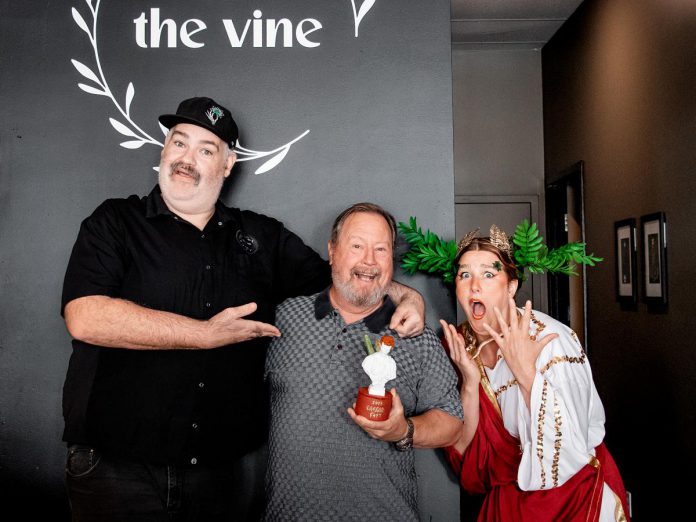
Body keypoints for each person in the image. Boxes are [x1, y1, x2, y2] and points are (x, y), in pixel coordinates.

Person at [60, 97, 426, 522]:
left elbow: (345, 278)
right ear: (164, 151)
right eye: (179, 143)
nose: (187, 159)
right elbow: (85, 316)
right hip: (116, 469)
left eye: (205, 150)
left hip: (217, 479)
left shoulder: (260, 237)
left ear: (227, 164)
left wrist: (404, 295)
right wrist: (203, 334)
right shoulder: (115, 221)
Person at [263, 203, 464, 522]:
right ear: (332, 251)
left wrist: (403, 430)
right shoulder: (284, 318)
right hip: (287, 515)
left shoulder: (415, 335)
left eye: (381, 249)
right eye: (357, 246)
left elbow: (452, 423)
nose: (369, 261)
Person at [439, 226, 630, 522]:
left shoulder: (553, 342)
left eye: (488, 275)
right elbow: (468, 462)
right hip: (507, 503)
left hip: (572, 499)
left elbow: (570, 450)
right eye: (465, 275)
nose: (474, 286)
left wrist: (527, 374)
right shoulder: (459, 344)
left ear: (511, 286)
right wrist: (469, 382)